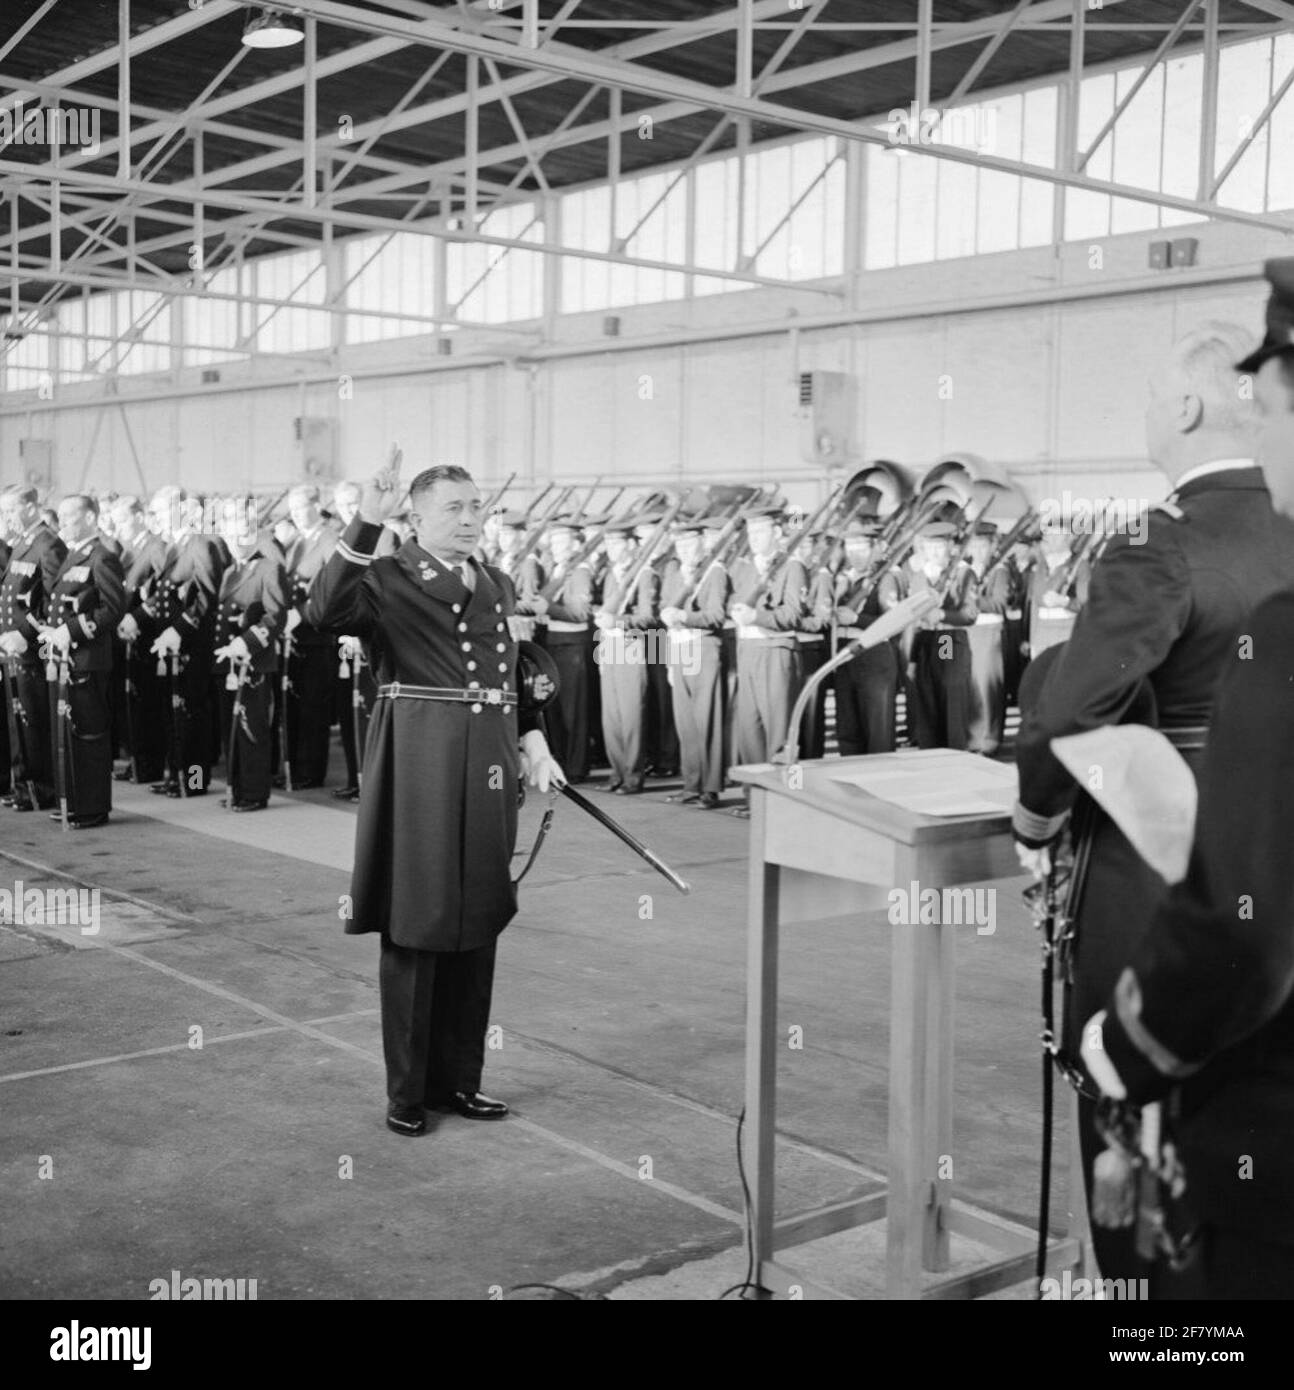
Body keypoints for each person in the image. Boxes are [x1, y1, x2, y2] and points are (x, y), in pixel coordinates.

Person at [1013, 318, 1294, 1283]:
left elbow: (1069, 712)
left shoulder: (1156, 543)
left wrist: (1034, 820)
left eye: (1144, 394)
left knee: (1148, 1172)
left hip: (1165, 891)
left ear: (1181, 408)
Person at [306, 455, 566, 1138]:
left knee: (476, 918)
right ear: (415, 517)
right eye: (454, 508)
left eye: (476, 507)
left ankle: (460, 1082)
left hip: (486, 768)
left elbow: (509, 672)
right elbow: (324, 610)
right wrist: (366, 519)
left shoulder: (498, 584)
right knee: (417, 923)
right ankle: (408, 1092)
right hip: (419, 764)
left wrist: (534, 738)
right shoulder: (387, 577)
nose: (472, 519)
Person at [37, 495, 126, 828]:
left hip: (88, 659)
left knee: (88, 736)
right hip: (68, 657)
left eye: (70, 517)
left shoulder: (102, 557)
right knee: (68, 734)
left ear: (90, 517)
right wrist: (56, 630)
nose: (63, 523)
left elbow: (113, 608)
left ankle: (91, 807)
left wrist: (72, 630)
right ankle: (72, 801)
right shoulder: (74, 556)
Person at [138, 486, 227, 796]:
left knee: (193, 714)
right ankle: (176, 773)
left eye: (162, 511)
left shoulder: (199, 545)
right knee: (172, 712)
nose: (157, 518)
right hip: (169, 643)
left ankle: (194, 780)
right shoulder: (174, 547)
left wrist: (179, 630)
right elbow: (163, 596)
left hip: (192, 644)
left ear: (185, 512)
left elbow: (206, 596)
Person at [726, 507, 807, 815]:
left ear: (777, 532)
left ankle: (785, 799)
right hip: (748, 649)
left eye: (760, 532)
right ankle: (755, 800)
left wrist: (757, 616)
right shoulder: (745, 568)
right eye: (751, 532)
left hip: (776, 650)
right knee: (750, 729)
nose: (754, 538)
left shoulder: (792, 567)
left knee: (780, 730)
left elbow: (793, 615)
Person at [212, 498, 290, 812]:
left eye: (242, 534)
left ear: (255, 535)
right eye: (230, 536)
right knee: (230, 727)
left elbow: (276, 615)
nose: (236, 541)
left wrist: (246, 643)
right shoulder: (231, 570)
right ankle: (236, 786)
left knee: (250, 728)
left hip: (251, 661)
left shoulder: (269, 568)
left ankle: (255, 792)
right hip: (227, 662)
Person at [0, 485, 68, 811]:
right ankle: (24, 783)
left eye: (11, 510)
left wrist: (25, 633)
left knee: (36, 715)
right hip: (14, 647)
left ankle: (42, 787)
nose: (7, 517)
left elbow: (53, 599)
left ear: (29, 507)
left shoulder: (48, 543)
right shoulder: (23, 544)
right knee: (19, 716)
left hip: (35, 647)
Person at [593, 516, 658, 795]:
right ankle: (616, 773)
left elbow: (647, 618)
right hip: (610, 647)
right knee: (612, 717)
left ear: (632, 544)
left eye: (618, 542)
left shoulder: (645, 575)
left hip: (631, 646)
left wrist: (617, 622)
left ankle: (632, 776)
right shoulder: (611, 574)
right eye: (608, 542)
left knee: (632, 716)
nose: (612, 548)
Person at [281, 485, 339, 789]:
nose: (295, 514)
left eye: (301, 507)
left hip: (316, 634)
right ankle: (294, 766)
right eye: (292, 509)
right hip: (295, 635)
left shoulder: (329, 538)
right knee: (295, 704)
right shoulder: (298, 541)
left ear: (317, 506)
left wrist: (301, 614)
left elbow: (333, 589)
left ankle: (310, 771)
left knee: (313, 707)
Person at [832, 516, 904, 756]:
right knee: (848, 727)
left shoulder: (886, 578)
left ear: (874, 549)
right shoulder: (842, 579)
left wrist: (857, 620)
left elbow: (894, 622)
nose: (855, 555)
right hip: (844, 656)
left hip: (873, 656)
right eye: (850, 548)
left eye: (861, 548)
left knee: (877, 730)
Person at [906, 520, 978, 750]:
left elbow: (970, 614)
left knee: (949, 697)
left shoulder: (963, 573)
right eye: (929, 547)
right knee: (927, 701)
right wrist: (913, 659)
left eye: (940, 546)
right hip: (925, 641)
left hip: (946, 639)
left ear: (950, 547)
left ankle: (954, 755)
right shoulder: (919, 576)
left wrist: (943, 614)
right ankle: (930, 754)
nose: (935, 552)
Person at [537, 516, 594, 784]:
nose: (558, 546)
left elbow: (580, 612)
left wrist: (547, 609)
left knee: (574, 711)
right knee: (557, 709)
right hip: (557, 644)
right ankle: (562, 761)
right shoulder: (559, 569)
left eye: (563, 541)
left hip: (572, 645)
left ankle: (576, 767)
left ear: (575, 543)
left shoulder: (580, 571)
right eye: (555, 541)